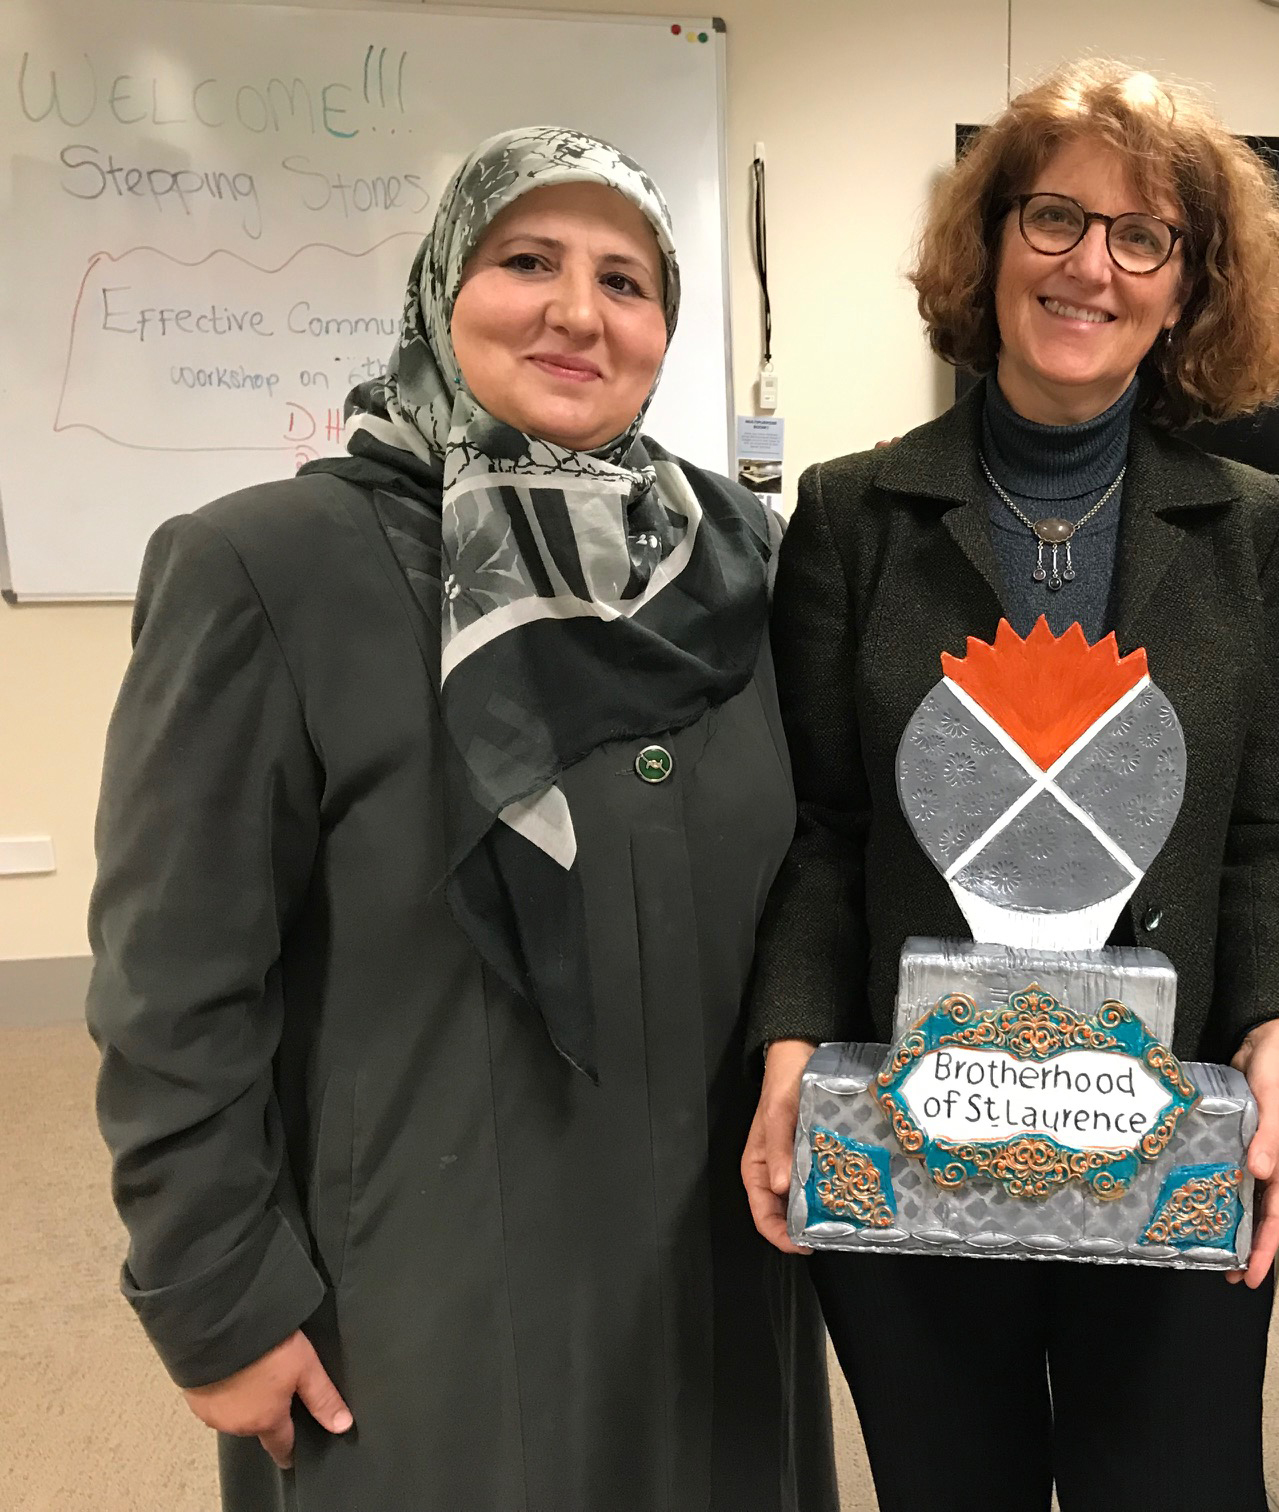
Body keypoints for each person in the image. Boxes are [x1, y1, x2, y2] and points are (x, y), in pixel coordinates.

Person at [85, 126, 837, 1512]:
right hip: (425, 1286)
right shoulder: (267, 567)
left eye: (626, 281)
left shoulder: (741, 562)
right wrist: (215, 1295)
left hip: (711, 1253)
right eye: (526, 260)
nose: (575, 311)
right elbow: (172, 984)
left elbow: (810, 872)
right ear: (443, 285)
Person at [740, 59, 1279, 1512]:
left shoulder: (1250, 525)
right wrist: (789, 1052)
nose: (1093, 266)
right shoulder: (849, 512)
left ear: (1189, 286)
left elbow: (1267, 827)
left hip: (1167, 1111)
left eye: (1146, 238)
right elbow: (826, 832)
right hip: (915, 1109)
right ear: (991, 240)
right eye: (1057, 217)